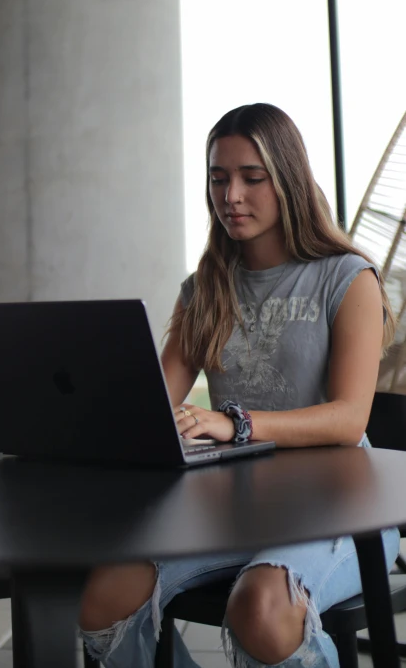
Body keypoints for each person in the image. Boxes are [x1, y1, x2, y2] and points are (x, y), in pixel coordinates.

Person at [79, 103, 400, 668]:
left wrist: (235, 423)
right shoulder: (204, 290)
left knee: (260, 607)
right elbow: (154, 406)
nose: (231, 195)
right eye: (218, 178)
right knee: (103, 593)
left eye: (252, 178)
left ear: (289, 181)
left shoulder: (348, 278)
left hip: (340, 509)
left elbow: (349, 418)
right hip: (233, 511)